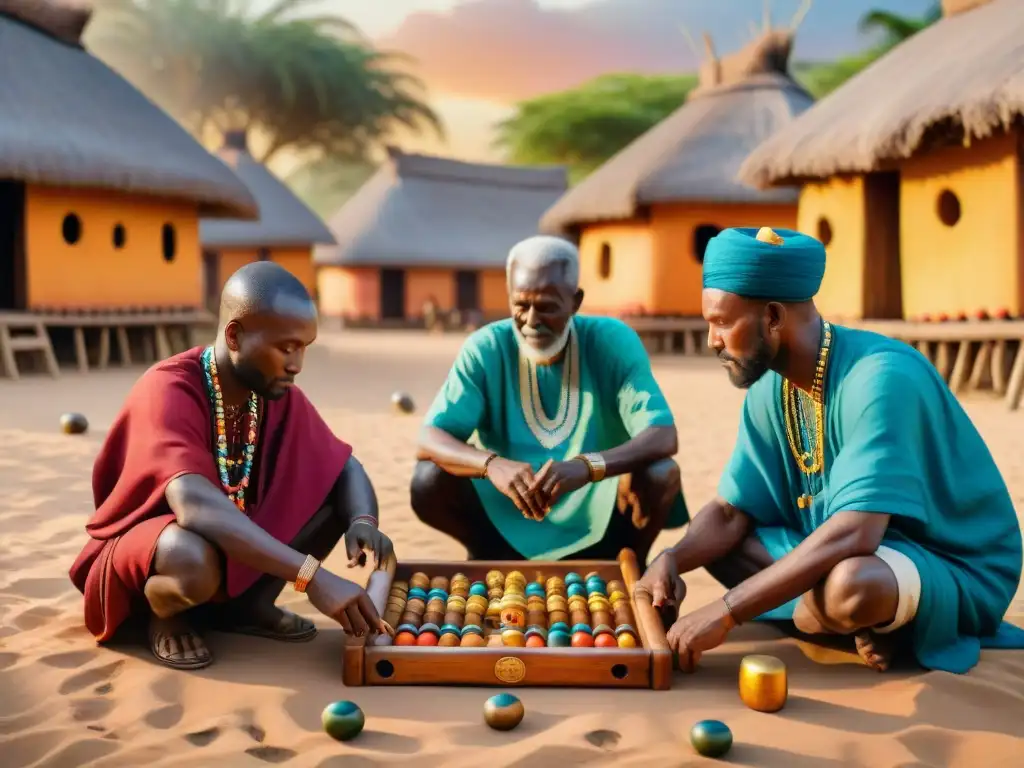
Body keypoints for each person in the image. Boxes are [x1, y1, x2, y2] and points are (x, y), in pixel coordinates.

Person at [634, 226, 1024, 674]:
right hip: (838, 546)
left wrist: (728, 609)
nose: (711, 341)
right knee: (719, 545)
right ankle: (854, 623)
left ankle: (831, 617)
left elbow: (856, 534)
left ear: (774, 317)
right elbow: (729, 512)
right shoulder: (771, 389)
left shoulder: (880, 377)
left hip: (941, 559)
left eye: (722, 322)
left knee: (850, 588)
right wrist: (673, 559)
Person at [69, 262, 395, 670]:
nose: (297, 364)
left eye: (304, 348)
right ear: (235, 336)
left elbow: (343, 466)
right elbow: (195, 505)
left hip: (223, 542)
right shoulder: (169, 388)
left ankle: (249, 608)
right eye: (286, 347)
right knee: (191, 559)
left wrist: (363, 521)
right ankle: (167, 615)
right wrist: (312, 576)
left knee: (333, 495)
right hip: (158, 549)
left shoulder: (270, 392)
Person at [411, 235, 688, 564]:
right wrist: (492, 465)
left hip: (599, 509)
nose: (530, 320)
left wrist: (587, 467)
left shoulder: (611, 341)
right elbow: (429, 437)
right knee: (429, 479)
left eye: (546, 307)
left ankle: (630, 564)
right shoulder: (486, 348)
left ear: (575, 301)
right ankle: (487, 553)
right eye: (521, 305)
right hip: (506, 507)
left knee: (660, 473)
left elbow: (662, 434)